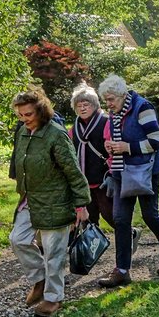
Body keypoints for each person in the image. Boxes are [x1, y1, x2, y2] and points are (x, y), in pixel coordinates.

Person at [8, 87, 90, 317]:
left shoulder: (56, 134)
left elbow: (74, 172)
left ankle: (54, 298)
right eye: (20, 115)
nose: (24, 119)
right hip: (31, 199)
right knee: (18, 239)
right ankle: (39, 280)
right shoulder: (23, 132)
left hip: (56, 201)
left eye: (28, 115)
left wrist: (81, 205)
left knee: (54, 252)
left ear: (41, 111)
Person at [96, 75, 159, 288]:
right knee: (120, 219)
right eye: (106, 100)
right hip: (121, 170)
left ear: (123, 94)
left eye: (112, 99)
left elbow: (156, 141)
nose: (109, 104)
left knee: (150, 215)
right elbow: (118, 138)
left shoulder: (143, 107)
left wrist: (126, 147)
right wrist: (111, 146)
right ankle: (122, 270)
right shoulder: (115, 113)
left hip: (145, 171)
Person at [70, 84, 115, 228]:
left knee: (111, 215)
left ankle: (130, 235)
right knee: (89, 221)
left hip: (103, 178)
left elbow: (112, 149)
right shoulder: (74, 128)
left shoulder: (106, 121)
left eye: (86, 104)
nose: (82, 108)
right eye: (79, 105)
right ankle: (93, 248)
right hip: (84, 182)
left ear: (94, 105)